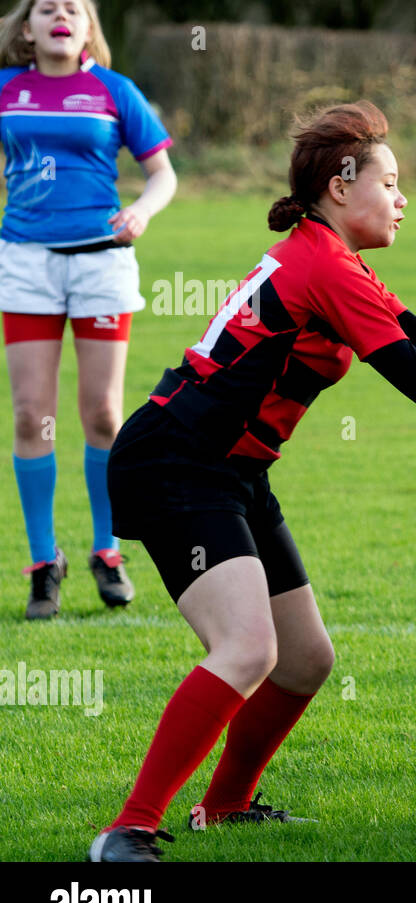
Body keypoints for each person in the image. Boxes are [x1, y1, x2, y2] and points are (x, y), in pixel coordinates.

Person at [87, 101, 416, 862]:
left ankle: (225, 808)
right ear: (341, 187)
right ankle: (130, 829)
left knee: (306, 658)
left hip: (234, 469)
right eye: (392, 181)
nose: (403, 198)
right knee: (247, 648)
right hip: (177, 463)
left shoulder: (333, 258)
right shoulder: (323, 266)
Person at [0, 0, 176, 619]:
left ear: (86, 28)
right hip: (25, 262)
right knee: (30, 418)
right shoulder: (6, 91)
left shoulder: (113, 90)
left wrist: (142, 211)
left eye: (72, 8)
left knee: (103, 414)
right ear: (26, 28)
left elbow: (162, 174)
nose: (60, 15)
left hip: (101, 260)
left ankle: (107, 551)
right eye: (46, 7)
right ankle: (44, 562)